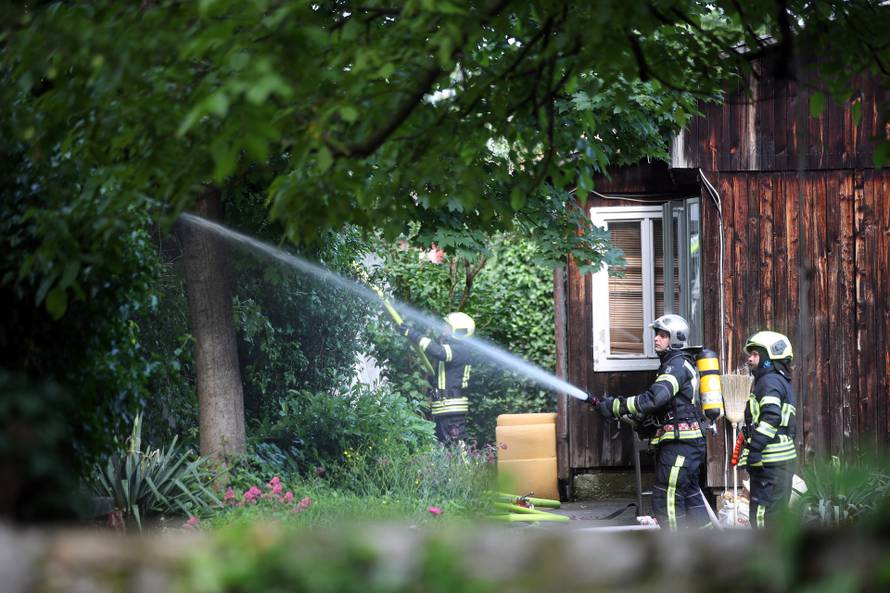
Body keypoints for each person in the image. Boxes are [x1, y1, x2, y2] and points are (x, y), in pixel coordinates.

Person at [594, 314, 709, 529]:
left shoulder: (675, 366)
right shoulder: (679, 363)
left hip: (680, 446)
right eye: (657, 334)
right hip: (688, 444)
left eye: (663, 335)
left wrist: (615, 406)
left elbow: (655, 398)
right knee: (690, 496)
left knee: (668, 498)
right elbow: (665, 406)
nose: (656, 339)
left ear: (675, 339)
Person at [737, 330, 797, 528]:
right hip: (781, 462)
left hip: (769, 462)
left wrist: (755, 451)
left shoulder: (769, 382)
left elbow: (771, 417)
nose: (750, 359)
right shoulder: (781, 382)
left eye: (755, 354)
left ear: (769, 358)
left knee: (763, 515)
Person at [400, 312, 475, 445]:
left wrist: (412, 334)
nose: (444, 328)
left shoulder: (459, 350)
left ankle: (467, 467)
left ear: (458, 331)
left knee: (458, 447)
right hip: (444, 408)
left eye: (448, 326)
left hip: (452, 409)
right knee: (446, 448)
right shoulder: (454, 349)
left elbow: (437, 351)